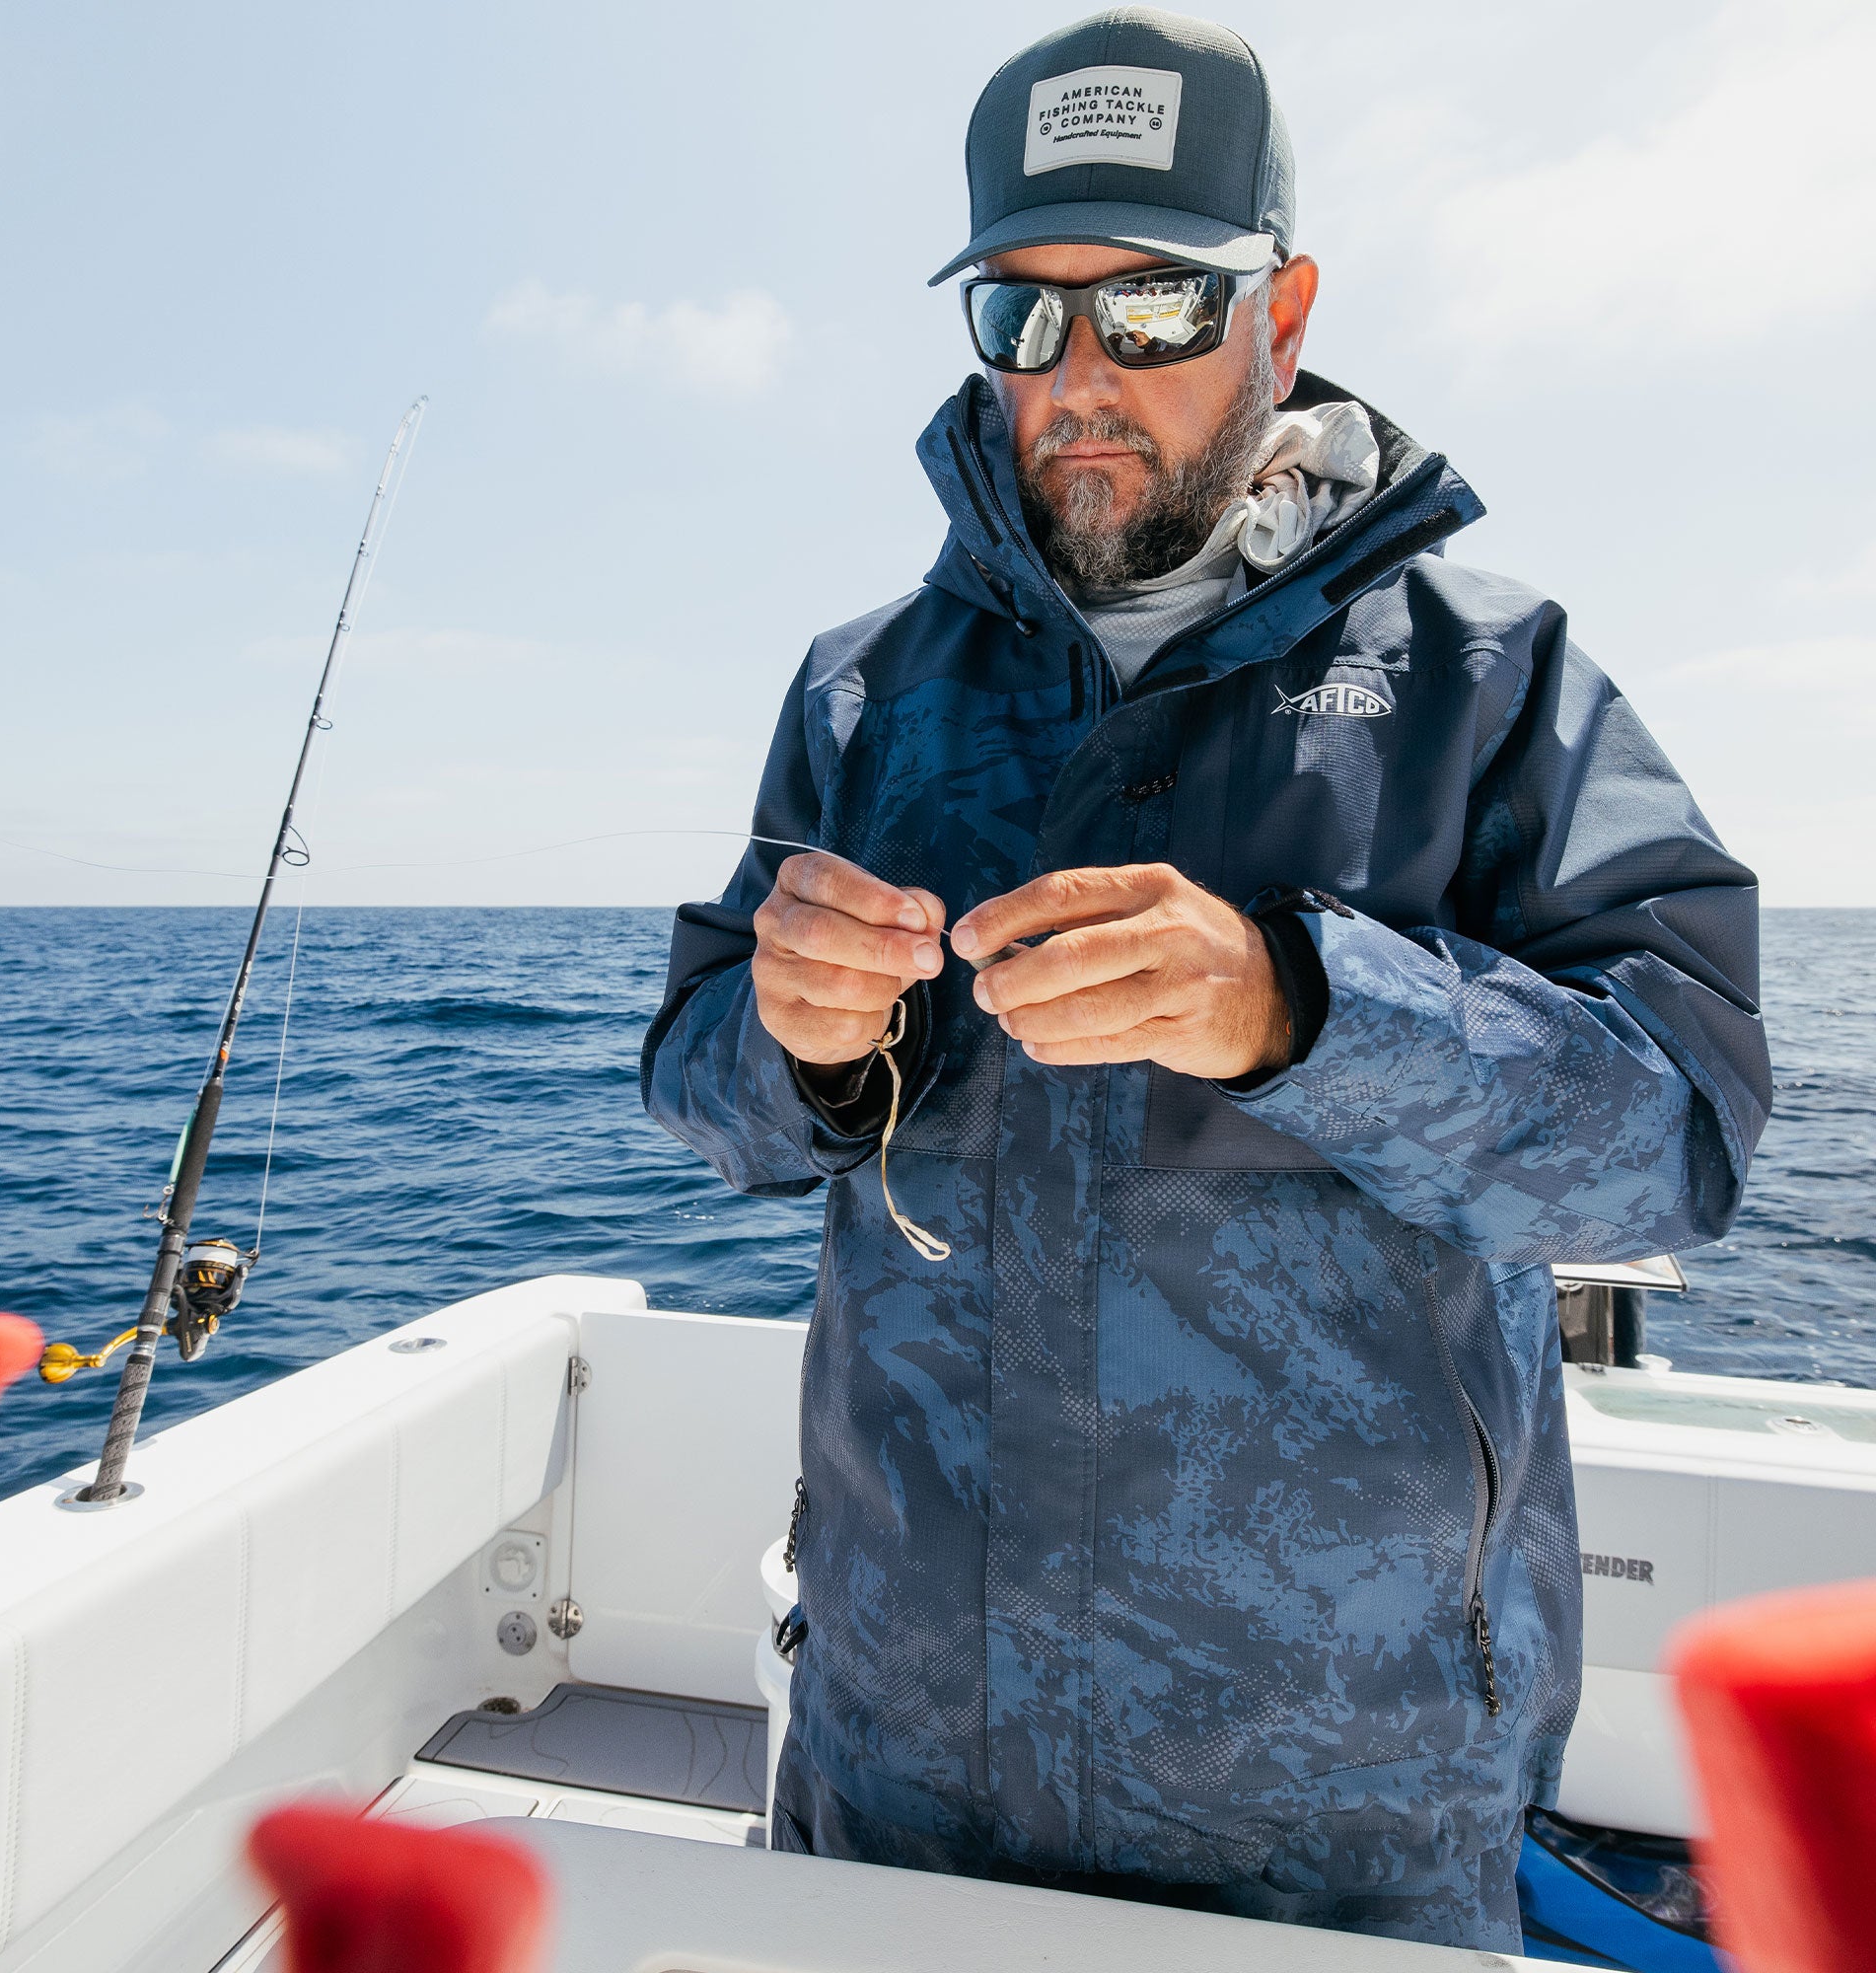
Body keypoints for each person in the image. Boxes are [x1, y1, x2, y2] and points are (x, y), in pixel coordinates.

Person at [642, 8, 1769, 1950]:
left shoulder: (1485, 682)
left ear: (1285, 308)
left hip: (1345, 1817)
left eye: (1152, 308)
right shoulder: (862, 692)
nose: (1082, 378)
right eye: (1023, 317)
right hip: (895, 1771)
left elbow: (1674, 1136)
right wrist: (795, 1042)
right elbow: (695, 1081)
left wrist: (1303, 1011)